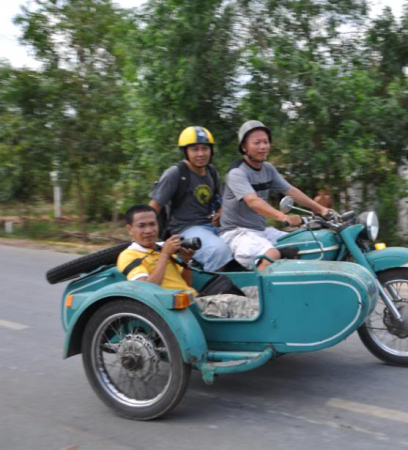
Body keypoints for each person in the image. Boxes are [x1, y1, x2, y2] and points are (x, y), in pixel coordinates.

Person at [220, 120, 332, 270]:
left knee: (301, 242)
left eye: (266, 142)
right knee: (270, 254)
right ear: (244, 147)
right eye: (257, 142)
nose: (263, 146)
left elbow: (291, 191)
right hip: (236, 233)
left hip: (260, 231)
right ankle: (255, 292)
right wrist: (283, 217)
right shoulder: (237, 173)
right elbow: (252, 201)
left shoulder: (268, 169)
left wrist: (321, 209)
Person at [117, 204, 259, 319]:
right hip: (175, 308)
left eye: (152, 224)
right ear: (130, 229)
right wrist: (165, 254)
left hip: (194, 300)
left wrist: (186, 261)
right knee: (250, 306)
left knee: (259, 293)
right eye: (142, 226)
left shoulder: (161, 248)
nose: (149, 230)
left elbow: (187, 283)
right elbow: (146, 290)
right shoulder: (129, 255)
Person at [149, 126, 233, 272]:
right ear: (186, 152)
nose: (200, 154)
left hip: (211, 227)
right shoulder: (175, 174)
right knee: (218, 251)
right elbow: (153, 208)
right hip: (183, 229)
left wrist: (220, 212)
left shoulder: (212, 172)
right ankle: (214, 290)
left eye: (205, 148)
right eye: (194, 149)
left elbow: (223, 200)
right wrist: (146, 239)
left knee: (245, 244)